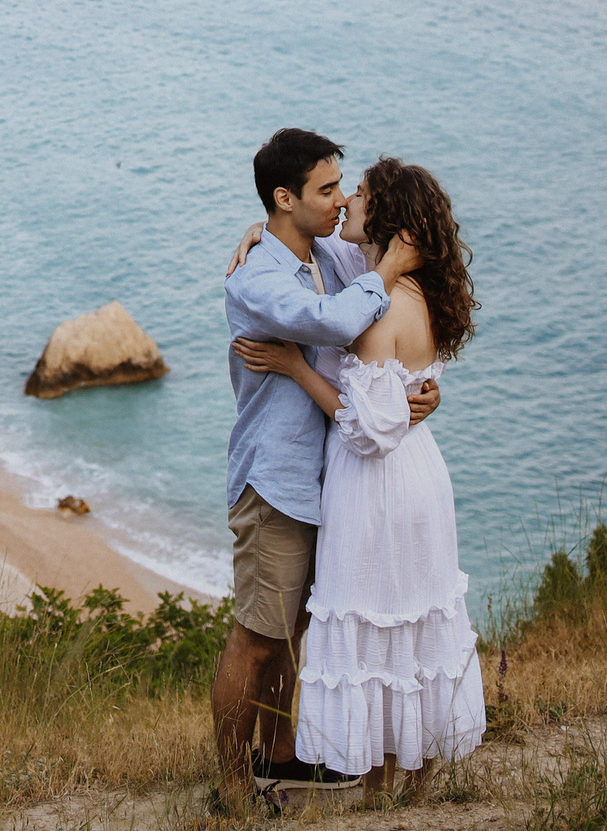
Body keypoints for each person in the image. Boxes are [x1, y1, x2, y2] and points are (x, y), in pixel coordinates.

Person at [233, 155, 486, 800]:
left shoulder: (378, 303)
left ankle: (374, 785)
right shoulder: (393, 284)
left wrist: (295, 366)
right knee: (407, 622)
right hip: (414, 475)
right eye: (334, 189)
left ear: (389, 222)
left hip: (375, 484)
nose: (346, 200)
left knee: (374, 621)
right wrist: (258, 233)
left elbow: (367, 428)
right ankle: (408, 776)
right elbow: (398, 383)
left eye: (359, 193)